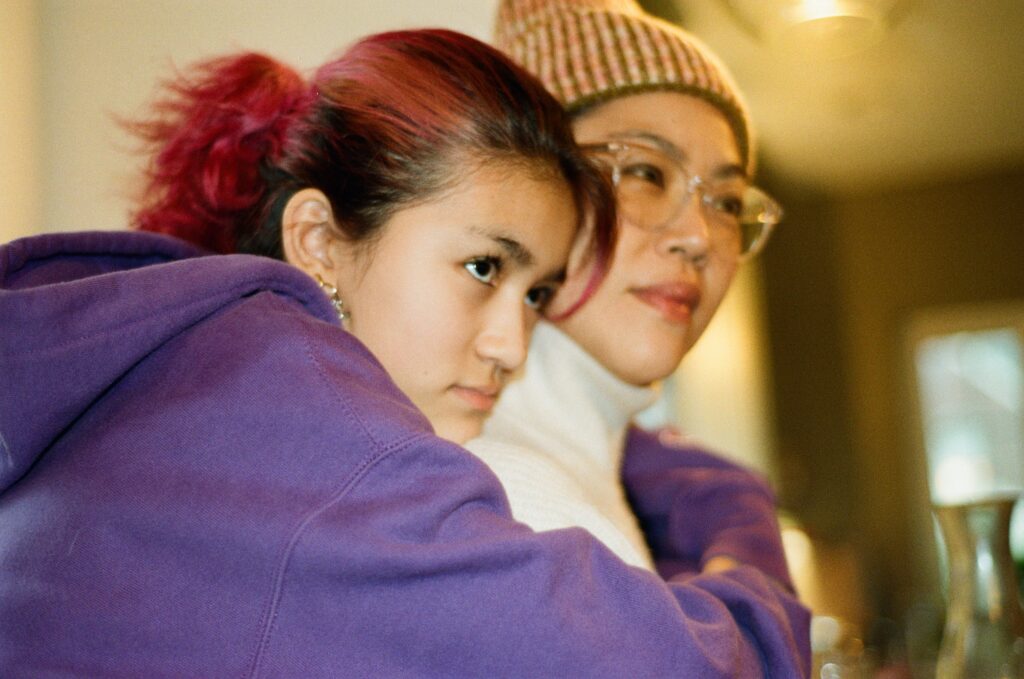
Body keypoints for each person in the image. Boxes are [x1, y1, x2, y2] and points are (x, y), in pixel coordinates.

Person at [0, 28, 805, 679]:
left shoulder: (203, 380)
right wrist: (735, 514)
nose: (510, 345)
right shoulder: (340, 449)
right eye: (482, 267)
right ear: (319, 240)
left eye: (535, 294)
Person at [468, 0, 812, 667]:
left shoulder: (606, 486)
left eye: (726, 202)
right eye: (646, 173)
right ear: (530, 183)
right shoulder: (507, 498)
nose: (699, 237)